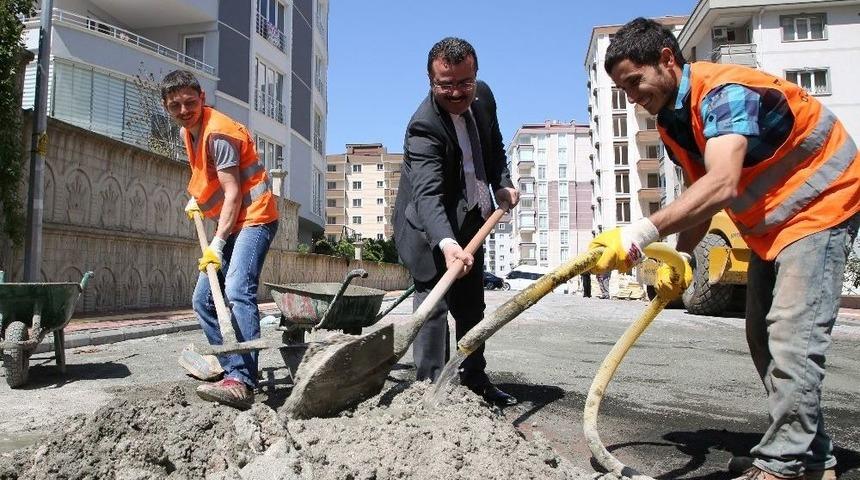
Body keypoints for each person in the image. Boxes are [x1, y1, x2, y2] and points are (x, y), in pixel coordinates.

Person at [592, 18, 860, 480]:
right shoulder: (675, 121)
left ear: (667, 60)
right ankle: (811, 458)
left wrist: (640, 234)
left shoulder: (724, 92)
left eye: (635, 82)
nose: (632, 96)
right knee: (761, 334)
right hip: (773, 228)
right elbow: (700, 194)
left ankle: (783, 464)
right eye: (623, 90)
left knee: (791, 337)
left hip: (823, 204)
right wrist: (682, 256)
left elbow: (722, 183)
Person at [392, 37, 520, 406]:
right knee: (433, 306)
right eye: (445, 85)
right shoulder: (423, 127)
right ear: (431, 81)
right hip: (426, 229)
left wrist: (503, 184)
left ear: (475, 75)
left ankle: (476, 380)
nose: (456, 93)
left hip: (471, 220)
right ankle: (432, 390)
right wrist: (447, 244)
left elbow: (494, 147)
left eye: (464, 83)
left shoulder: (484, 97)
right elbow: (428, 197)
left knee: (472, 307)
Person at [161, 70, 280, 410]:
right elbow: (207, 176)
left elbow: (231, 193)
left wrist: (217, 243)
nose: (184, 110)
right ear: (167, 108)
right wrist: (197, 198)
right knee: (203, 300)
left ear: (202, 97)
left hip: (254, 218)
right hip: (232, 221)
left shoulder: (219, 134)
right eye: (175, 105)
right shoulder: (189, 131)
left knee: (237, 290)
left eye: (189, 102)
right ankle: (231, 366)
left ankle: (242, 381)